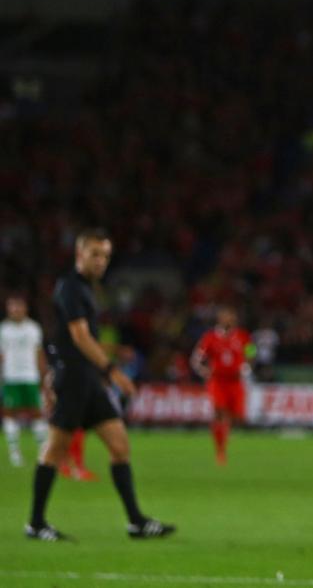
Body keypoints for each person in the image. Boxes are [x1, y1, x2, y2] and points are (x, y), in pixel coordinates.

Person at [26, 228, 175, 541]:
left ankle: (136, 521)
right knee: (54, 450)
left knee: (120, 446)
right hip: (76, 379)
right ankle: (36, 523)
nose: (101, 261)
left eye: (106, 255)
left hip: (88, 378)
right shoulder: (70, 287)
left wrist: (110, 357)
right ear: (80, 255)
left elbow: (81, 338)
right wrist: (113, 371)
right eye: (95, 254)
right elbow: (79, 337)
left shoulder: (85, 289)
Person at [191, 306, 255, 465]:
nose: (229, 320)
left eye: (231, 317)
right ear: (220, 319)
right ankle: (220, 451)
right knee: (219, 412)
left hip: (236, 381)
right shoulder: (210, 337)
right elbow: (196, 358)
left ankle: (224, 436)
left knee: (237, 417)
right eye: (226, 317)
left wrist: (247, 367)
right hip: (218, 381)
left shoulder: (243, 336)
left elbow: (252, 353)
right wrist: (203, 371)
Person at [1, 295, 49, 467]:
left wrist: (44, 377)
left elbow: (39, 354)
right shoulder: (3, 330)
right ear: (8, 309)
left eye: (18, 306)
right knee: (9, 414)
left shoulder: (33, 329)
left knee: (37, 413)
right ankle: (14, 454)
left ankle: (44, 450)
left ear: (25, 308)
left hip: (30, 376)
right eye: (12, 307)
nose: (15, 310)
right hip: (10, 377)